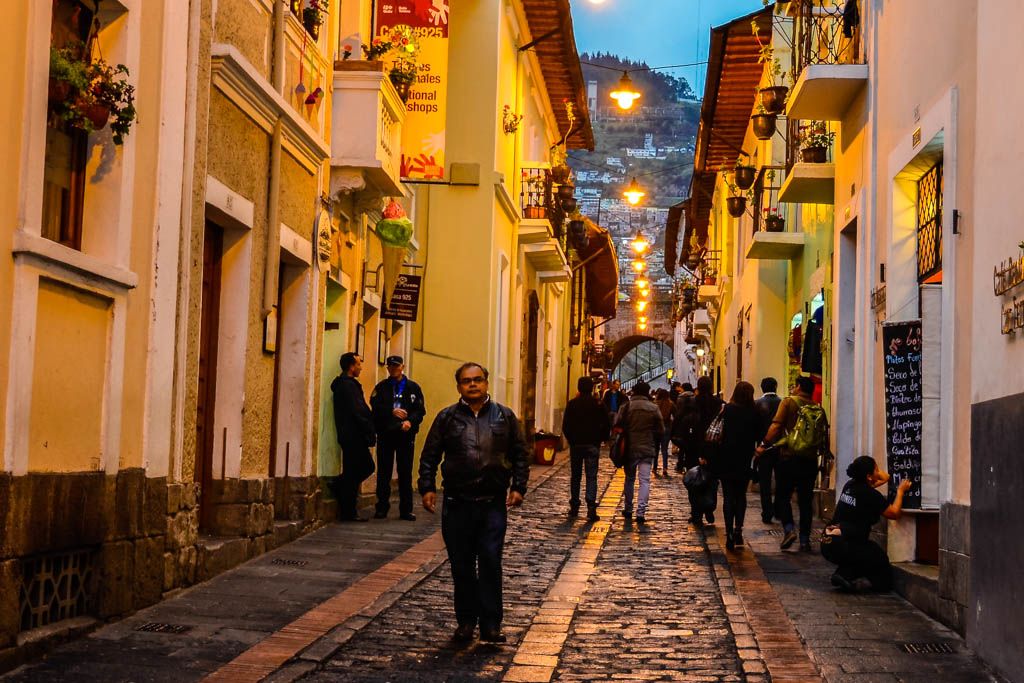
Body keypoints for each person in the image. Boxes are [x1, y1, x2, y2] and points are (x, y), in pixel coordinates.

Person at [418, 362, 529, 644]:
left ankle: (491, 625)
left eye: (477, 379)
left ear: (486, 383)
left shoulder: (504, 416)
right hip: (457, 503)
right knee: (462, 565)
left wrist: (519, 486)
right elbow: (430, 455)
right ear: (459, 386)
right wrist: (427, 487)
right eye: (466, 381)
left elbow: (519, 453)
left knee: (490, 561)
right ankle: (466, 621)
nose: (472, 385)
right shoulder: (447, 418)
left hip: (492, 504)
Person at [821, 456, 912, 592]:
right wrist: (900, 491)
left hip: (827, 542)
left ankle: (843, 574)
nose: (879, 472)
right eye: (876, 469)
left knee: (864, 551)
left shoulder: (850, 485)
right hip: (843, 544)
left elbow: (884, 478)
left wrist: (876, 473)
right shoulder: (870, 494)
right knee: (878, 558)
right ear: (869, 476)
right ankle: (868, 583)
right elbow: (894, 513)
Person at [758, 375, 822, 551]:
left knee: (783, 496)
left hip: (789, 457)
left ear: (799, 387)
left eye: (795, 385)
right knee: (805, 501)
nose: (793, 387)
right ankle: (805, 540)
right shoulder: (816, 407)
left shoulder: (788, 402)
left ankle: (789, 529)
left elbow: (776, 426)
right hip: (809, 460)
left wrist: (763, 445)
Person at [370, 355, 426, 521]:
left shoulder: (413, 387)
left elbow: (420, 410)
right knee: (384, 472)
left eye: (396, 366)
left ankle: (406, 509)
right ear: (388, 368)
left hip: (405, 435)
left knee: (405, 472)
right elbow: (375, 407)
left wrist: (410, 421)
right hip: (386, 434)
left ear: (402, 366)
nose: (393, 369)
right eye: (391, 366)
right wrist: (390, 411)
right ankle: (382, 507)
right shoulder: (381, 387)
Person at [711, 382, 761, 550]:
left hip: (726, 457)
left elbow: (717, 432)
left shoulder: (727, 409)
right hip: (744, 458)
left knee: (728, 496)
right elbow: (759, 435)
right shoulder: (754, 412)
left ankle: (729, 533)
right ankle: (738, 529)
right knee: (740, 495)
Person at [331, 353, 376, 522]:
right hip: (354, 434)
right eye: (358, 364)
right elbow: (359, 410)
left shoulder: (345, 385)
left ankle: (348, 506)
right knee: (365, 467)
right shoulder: (348, 386)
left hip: (349, 433)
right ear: (351, 366)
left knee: (353, 470)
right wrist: (369, 428)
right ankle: (341, 489)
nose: (360, 367)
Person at [614, 381, 664, 525]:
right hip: (647, 448)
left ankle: (628, 508)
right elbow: (661, 429)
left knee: (629, 479)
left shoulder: (626, 407)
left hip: (629, 448)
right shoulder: (653, 408)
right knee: (645, 480)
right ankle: (641, 511)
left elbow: (617, 424)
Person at [561, 376, 610, 522]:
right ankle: (591, 506)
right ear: (591, 388)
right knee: (591, 476)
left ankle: (574, 505)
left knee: (575, 476)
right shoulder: (598, 404)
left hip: (576, 445)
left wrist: (571, 440)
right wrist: (601, 439)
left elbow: (566, 425)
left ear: (579, 387)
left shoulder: (572, 404)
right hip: (592, 445)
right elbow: (606, 424)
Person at [690, 376, 723, 525]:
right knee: (712, 479)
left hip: (695, 446)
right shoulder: (719, 403)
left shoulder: (692, 402)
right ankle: (709, 506)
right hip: (713, 447)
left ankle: (696, 513)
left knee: (695, 480)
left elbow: (686, 423)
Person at [754, 377, 783, 524]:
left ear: (762, 388)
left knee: (764, 483)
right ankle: (778, 509)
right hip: (780, 447)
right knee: (780, 481)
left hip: (763, 448)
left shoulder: (757, 404)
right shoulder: (783, 402)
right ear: (776, 386)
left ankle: (767, 512)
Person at [671, 382, 697, 473]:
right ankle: (689, 465)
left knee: (682, 446)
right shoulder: (694, 397)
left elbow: (678, 411)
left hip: (682, 423)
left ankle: (680, 465)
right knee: (691, 446)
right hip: (693, 422)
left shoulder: (680, 397)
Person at [653, 388, 675, 476]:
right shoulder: (670, 404)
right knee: (664, 449)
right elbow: (676, 415)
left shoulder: (655, 404)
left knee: (656, 449)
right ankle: (665, 468)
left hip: (656, 428)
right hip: (667, 427)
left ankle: (654, 467)